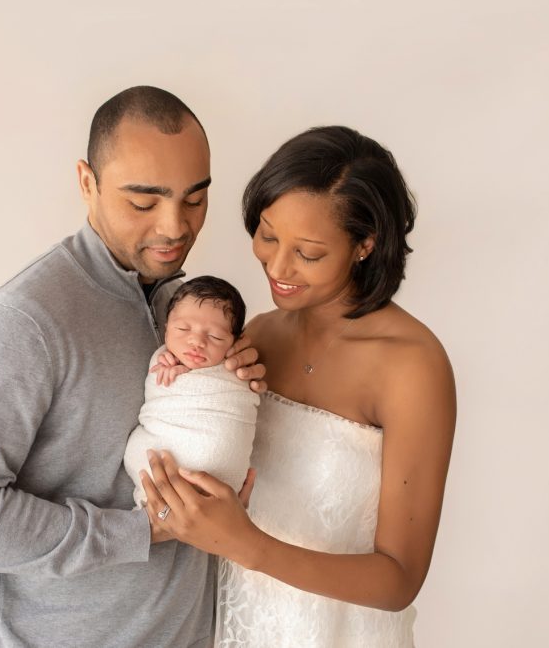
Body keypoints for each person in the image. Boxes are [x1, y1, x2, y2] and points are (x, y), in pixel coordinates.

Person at [0, 86, 265, 648]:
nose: (174, 227)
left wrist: (234, 375)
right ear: (86, 183)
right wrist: (141, 529)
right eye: (143, 202)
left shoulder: (185, 305)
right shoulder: (23, 322)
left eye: (195, 199)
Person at [141, 125, 457, 647]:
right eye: (267, 235)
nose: (277, 266)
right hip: (232, 627)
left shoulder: (412, 367)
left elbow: (399, 578)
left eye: (308, 253)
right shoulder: (255, 337)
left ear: (365, 245)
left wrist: (247, 545)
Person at [124, 275, 260, 508]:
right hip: (158, 450)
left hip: (216, 463)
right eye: (183, 329)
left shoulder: (236, 369)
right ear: (166, 330)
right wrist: (165, 361)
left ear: (235, 343)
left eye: (215, 336)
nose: (196, 341)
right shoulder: (163, 356)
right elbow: (158, 382)